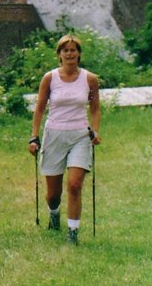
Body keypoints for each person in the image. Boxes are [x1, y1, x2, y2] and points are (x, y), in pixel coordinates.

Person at [28, 34, 102, 244]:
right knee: (53, 193)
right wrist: (34, 136)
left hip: (79, 135)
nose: (70, 54)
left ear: (79, 54)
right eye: (65, 50)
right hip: (54, 135)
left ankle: (73, 232)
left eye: (73, 50)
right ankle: (54, 214)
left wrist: (95, 132)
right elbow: (40, 108)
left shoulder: (89, 79)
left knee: (75, 185)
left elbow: (95, 109)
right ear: (59, 55)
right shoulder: (50, 78)